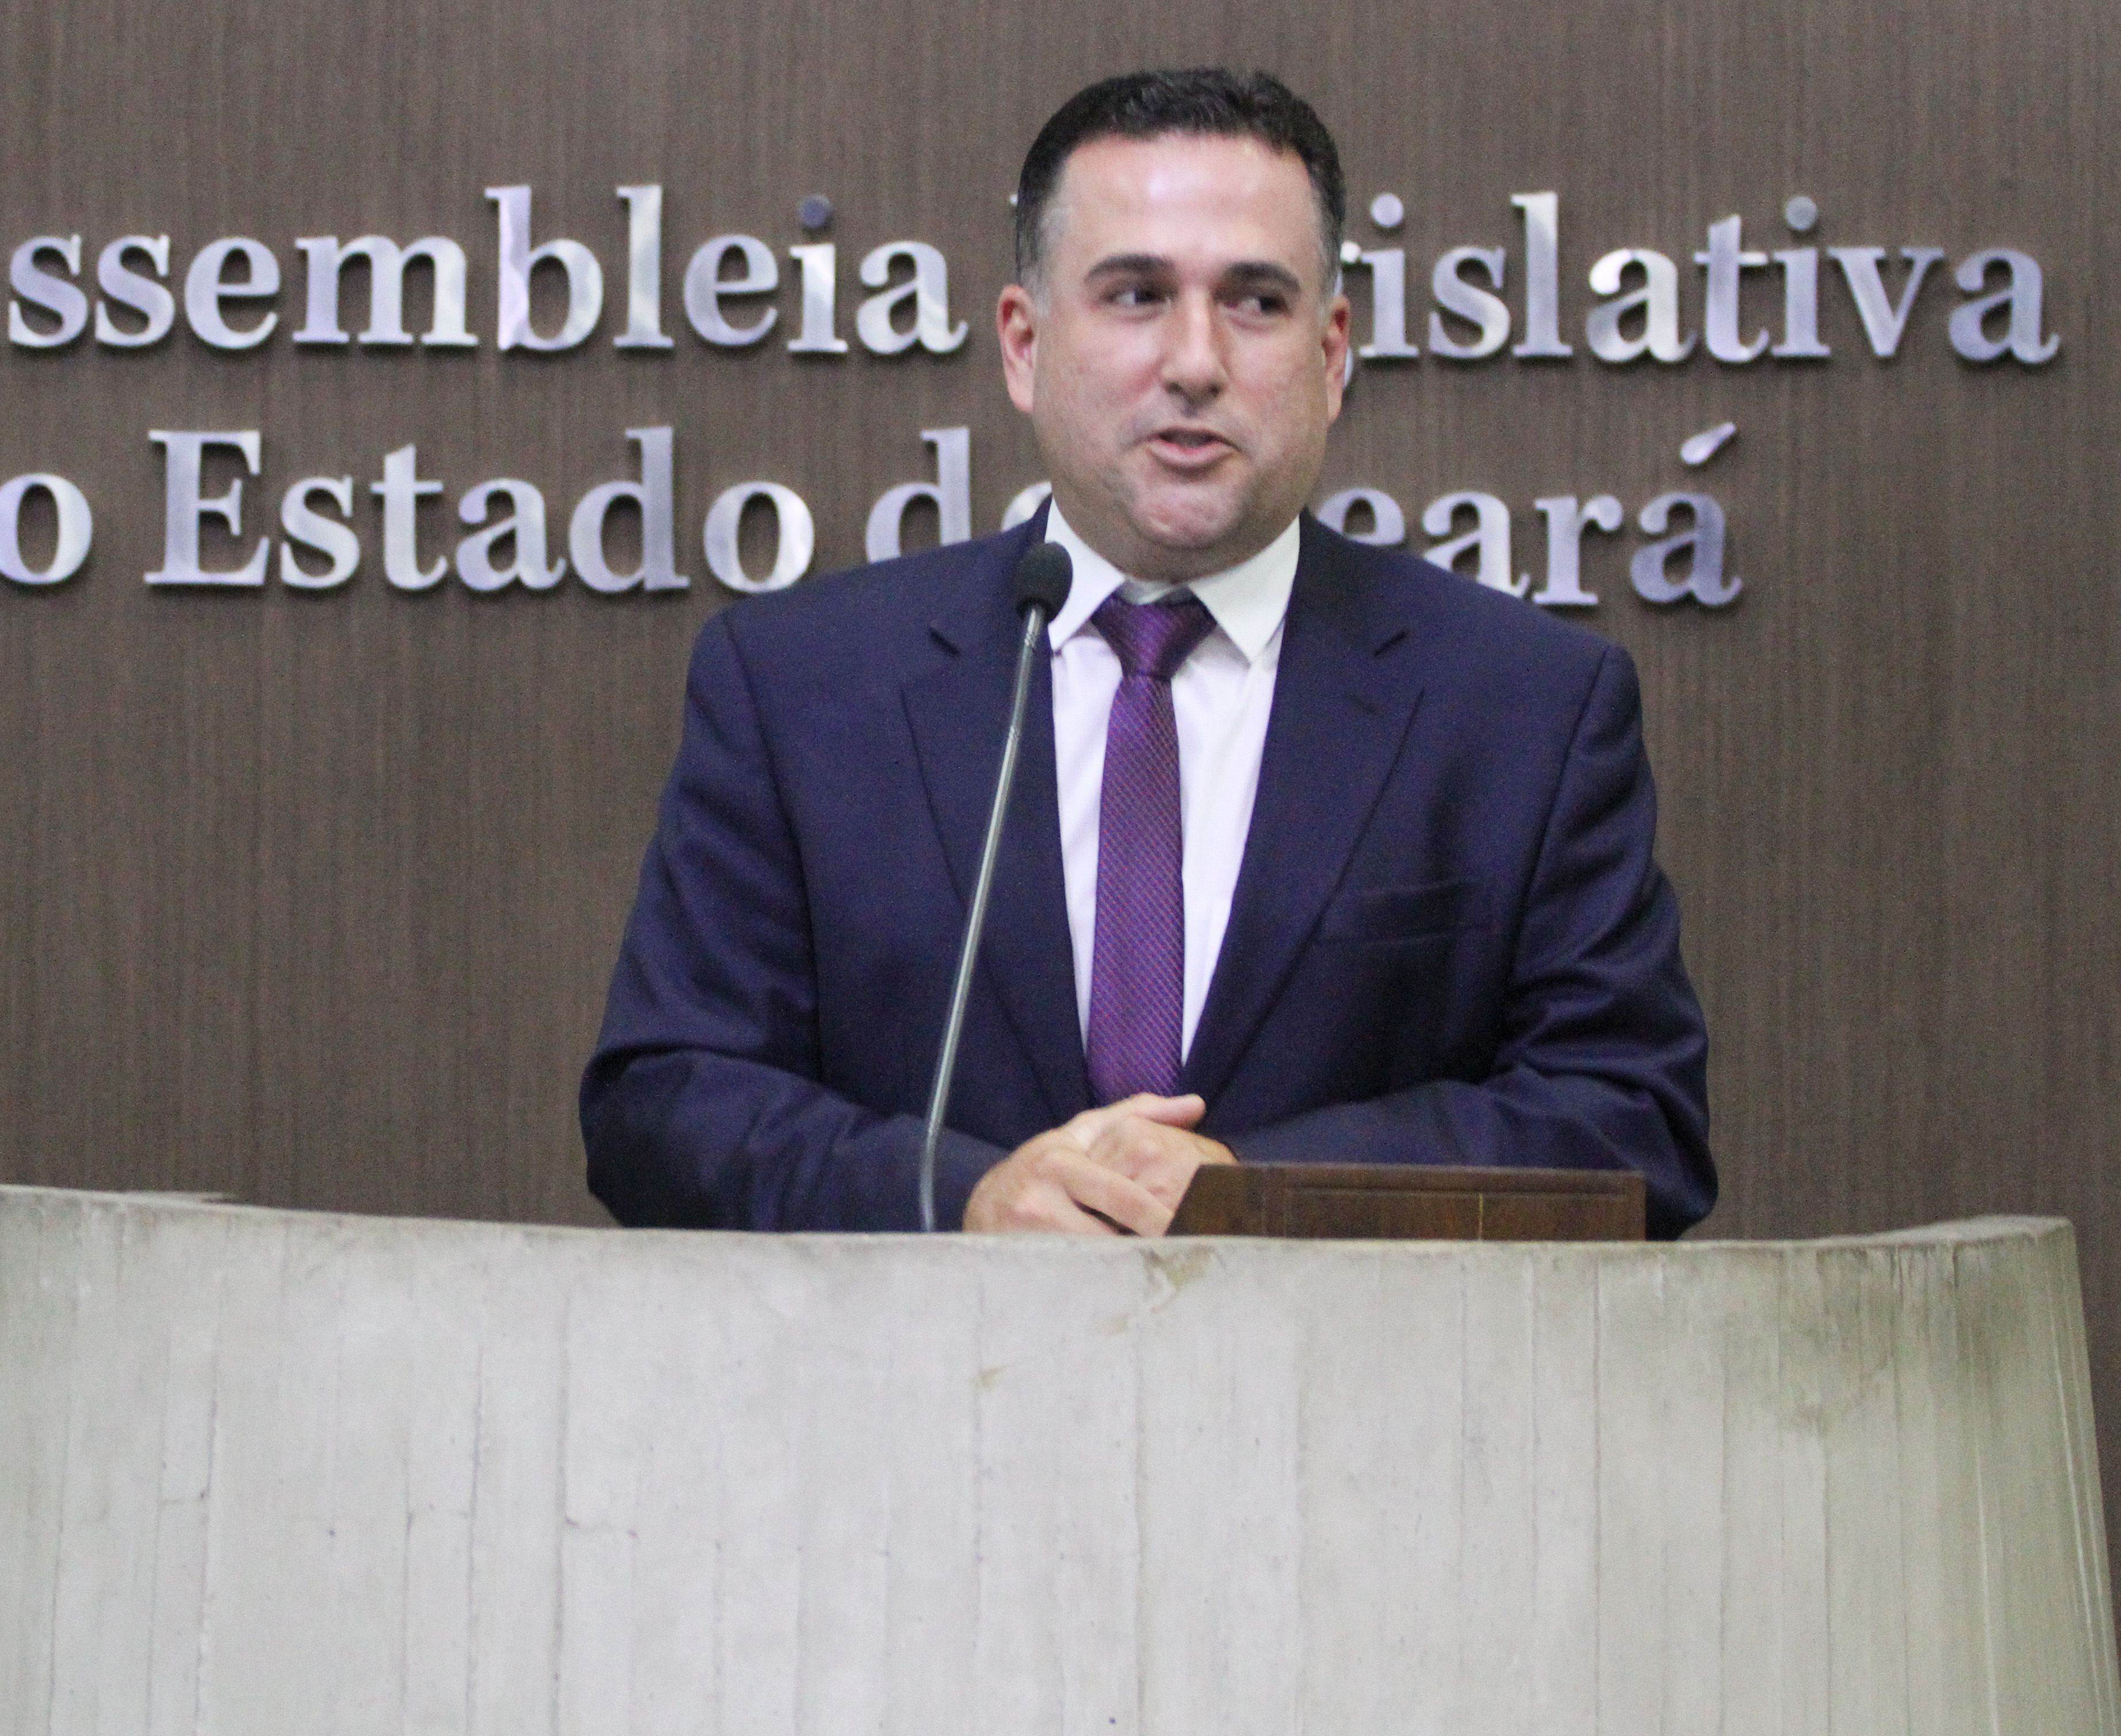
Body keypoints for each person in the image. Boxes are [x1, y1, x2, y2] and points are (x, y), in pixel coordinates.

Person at [580, 69, 1715, 1238]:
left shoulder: (1525, 708)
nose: (1195, 361)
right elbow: (665, 1105)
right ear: (1024, 345)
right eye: (1136, 296)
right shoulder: (799, 688)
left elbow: (1634, 1122)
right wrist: (962, 1200)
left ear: (1333, 355)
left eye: (1256, 302)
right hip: (924, 1359)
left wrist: (1254, 1194)